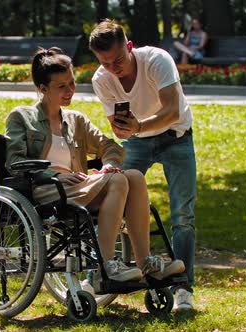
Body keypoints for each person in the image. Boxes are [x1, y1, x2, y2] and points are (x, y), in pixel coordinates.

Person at [5, 47, 185, 290]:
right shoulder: (21, 118)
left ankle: (146, 264)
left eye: (72, 83)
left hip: (77, 188)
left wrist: (110, 163)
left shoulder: (75, 121)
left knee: (133, 176)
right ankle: (105, 267)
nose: (70, 91)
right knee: (119, 180)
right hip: (45, 190)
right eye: (62, 87)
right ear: (43, 89)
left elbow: (109, 146)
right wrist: (53, 175)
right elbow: (15, 161)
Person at [89, 20, 197, 310]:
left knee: (183, 215)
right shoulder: (101, 80)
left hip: (176, 136)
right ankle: (104, 269)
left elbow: (172, 110)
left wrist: (137, 127)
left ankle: (183, 288)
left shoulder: (157, 60)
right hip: (137, 141)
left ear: (129, 46)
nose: (114, 68)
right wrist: (124, 130)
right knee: (114, 192)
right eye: (105, 63)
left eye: (118, 60)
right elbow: (117, 127)